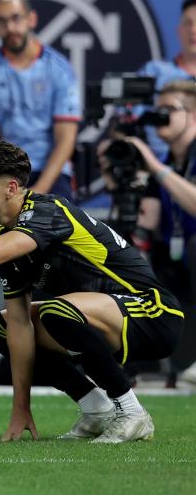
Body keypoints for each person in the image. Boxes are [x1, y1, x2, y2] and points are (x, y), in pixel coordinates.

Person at [0, 140, 183, 443]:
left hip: (153, 313)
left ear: (11, 188)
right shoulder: (6, 235)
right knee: (1, 326)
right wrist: (21, 408)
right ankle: (96, 410)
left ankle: (132, 412)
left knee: (57, 310)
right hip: (92, 316)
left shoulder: (46, 211)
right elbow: (18, 325)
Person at [113, 80, 196, 384]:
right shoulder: (169, 161)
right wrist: (121, 177)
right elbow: (145, 223)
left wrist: (153, 167)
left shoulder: (166, 165)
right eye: (157, 109)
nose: (160, 116)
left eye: (169, 110)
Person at [0, 0, 81, 195]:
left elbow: (65, 138)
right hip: (6, 170)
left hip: (52, 172)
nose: (10, 28)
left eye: (16, 18)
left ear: (32, 19)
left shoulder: (60, 70)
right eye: (1, 21)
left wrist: (38, 192)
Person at [135, 0, 196, 158]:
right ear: (178, 30)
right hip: (157, 164)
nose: (193, 30)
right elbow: (129, 118)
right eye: (188, 23)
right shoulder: (154, 72)